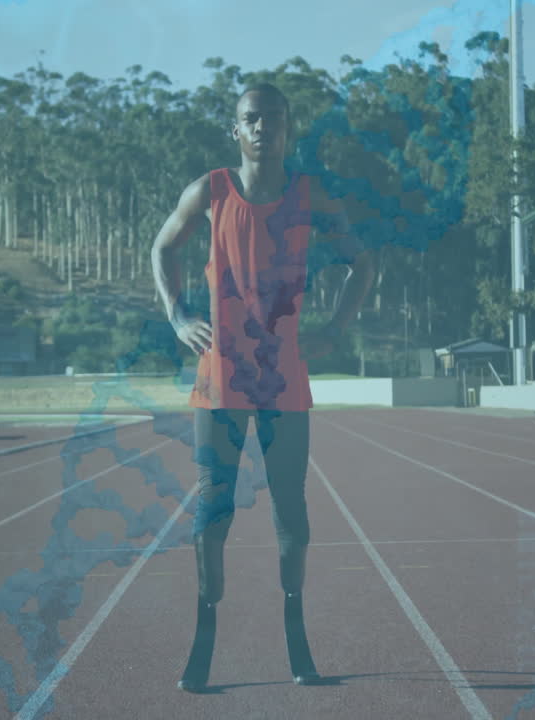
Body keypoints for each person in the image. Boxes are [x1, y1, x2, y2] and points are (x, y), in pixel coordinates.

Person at [150, 82, 374, 692]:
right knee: (212, 513)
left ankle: (296, 636)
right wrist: (177, 315)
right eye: (251, 119)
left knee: (292, 515)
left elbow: (363, 262)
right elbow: (162, 248)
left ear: (287, 129)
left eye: (273, 119)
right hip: (221, 378)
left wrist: (334, 329)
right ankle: (203, 637)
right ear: (236, 129)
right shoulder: (210, 190)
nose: (261, 129)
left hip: (283, 381)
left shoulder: (310, 197)